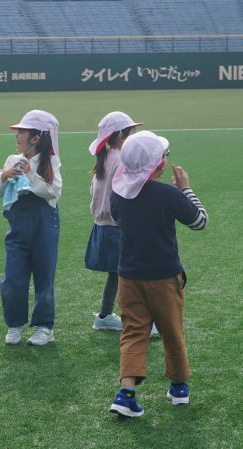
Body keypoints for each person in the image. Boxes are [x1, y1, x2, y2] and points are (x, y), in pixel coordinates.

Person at [107, 130, 208, 417]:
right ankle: (179, 387)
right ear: (159, 164)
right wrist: (185, 189)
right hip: (164, 276)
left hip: (129, 276)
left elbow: (117, 218)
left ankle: (126, 394)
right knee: (172, 331)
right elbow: (200, 222)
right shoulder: (168, 194)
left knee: (133, 332)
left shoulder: (119, 194)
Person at [0, 110, 62, 346]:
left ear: (36, 138)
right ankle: (15, 324)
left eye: (21, 132)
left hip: (45, 227)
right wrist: (5, 175)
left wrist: (30, 174)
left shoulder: (50, 161)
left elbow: (53, 191)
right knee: (12, 279)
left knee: (44, 276)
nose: (17, 136)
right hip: (17, 228)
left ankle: (44, 326)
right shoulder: (13, 159)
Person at [85, 111, 140, 332]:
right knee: (129, 272)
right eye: (131, 133)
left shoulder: (105, 158)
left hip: (103, 226)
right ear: (120, 136)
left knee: (117, 273)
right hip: (117, 227)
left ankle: (105, 314)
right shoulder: (121, 160)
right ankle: (138, 318)